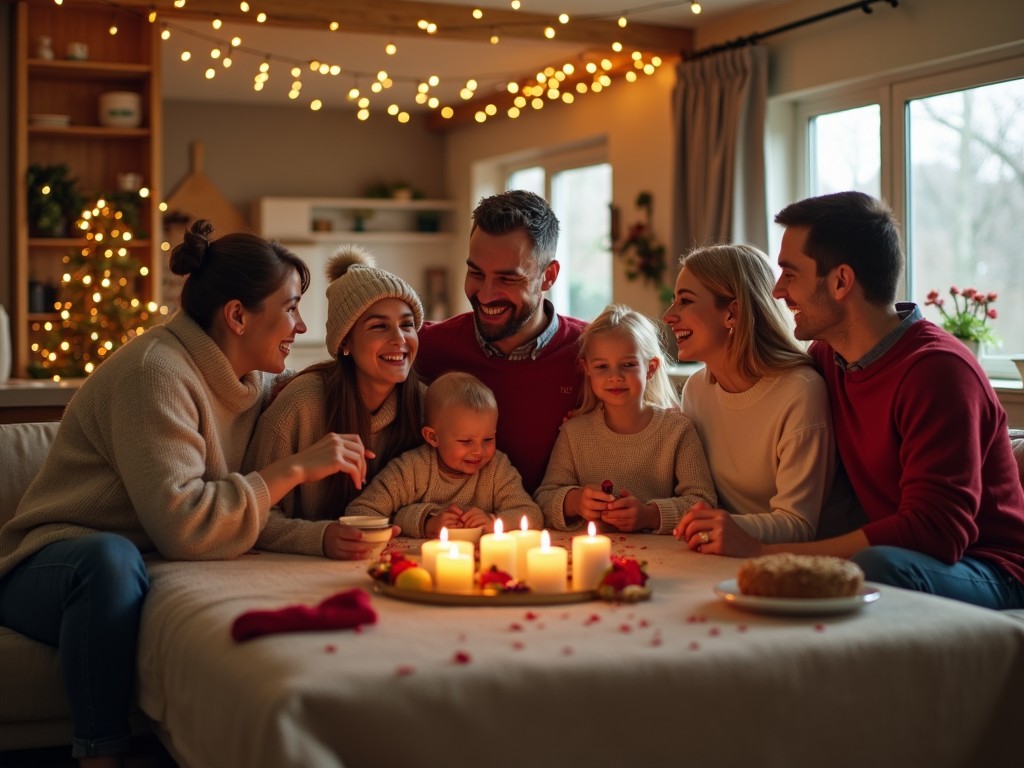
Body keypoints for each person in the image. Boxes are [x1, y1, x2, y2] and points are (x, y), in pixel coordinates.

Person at [0, 220, 389, 767]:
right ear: (237, 315)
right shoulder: (154, 373)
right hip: (52, 564)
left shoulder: (249, 379)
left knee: (125, 566)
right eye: (291, 307)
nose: (299, 327)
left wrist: (321, 536)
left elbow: (246, 494)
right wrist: (296, 468)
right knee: (109, 562)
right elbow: (185, 525)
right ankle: (100, 756)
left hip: (134, 558)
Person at [765, 190, 1024, 609]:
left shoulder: (938, 371)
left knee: (878, 567)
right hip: (924, 559)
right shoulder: (829, 358)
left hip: (995, 569)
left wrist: (769, 555)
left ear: (841, 282)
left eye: (790, 273)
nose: (779, 291)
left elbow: (936, 533)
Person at [665, 244, 847, 556]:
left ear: (732, 313)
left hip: (803, 568)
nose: (669, 316)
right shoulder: (697, 390)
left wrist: (726, 527)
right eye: (674, 301)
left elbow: (799, 524)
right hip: (723, 553)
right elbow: (694, 491)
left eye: (685, 301)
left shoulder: (800, 392)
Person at [243, 245, 426, 554]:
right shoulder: (300, 405)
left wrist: (428, 517)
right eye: (379, 326)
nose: (400, 339)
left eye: (407, 324)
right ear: (345, 344)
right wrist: (320, 537)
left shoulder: (425, 405)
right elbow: (249, 514)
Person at [415, 190, 587, 494]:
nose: (485, 293)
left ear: (548, 276)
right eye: (476, 273)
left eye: (508, 279)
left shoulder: (595, 353)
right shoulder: (426, 348)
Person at [535, 304, 716, 534]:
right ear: (587, 369)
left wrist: (649, 516)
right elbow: (543, 499)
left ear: (650, 369)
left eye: (628, 365)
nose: (615, 377)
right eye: (602, 366)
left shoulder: (677, 431)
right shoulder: (573, 434)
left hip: (665, 560)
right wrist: (575, 501)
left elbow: (703, 501)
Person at [345, 371, 543, 537]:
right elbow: (361, 512)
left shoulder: (497, 468)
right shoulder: (410, 469)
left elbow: (532, 514)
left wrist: (495, 522)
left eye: (488, 439)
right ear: (432, 437)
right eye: (466, 441)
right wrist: (426, 523)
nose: (479, 451)